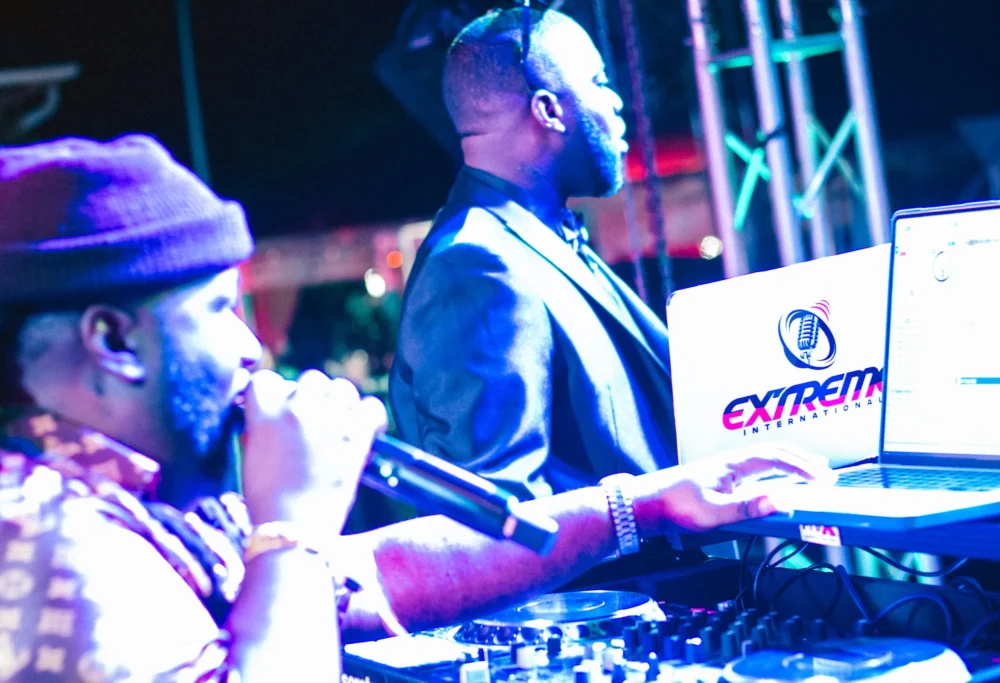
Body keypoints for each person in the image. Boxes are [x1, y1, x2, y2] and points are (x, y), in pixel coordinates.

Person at [0, 135, 832, 681]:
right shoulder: (35, 528)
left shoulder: (142, 494)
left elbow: (375, 576)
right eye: (218, 310)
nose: (250, 349)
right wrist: (290, 525)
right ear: (113, 339)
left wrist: (646, 503)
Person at [390, 8, 678, 501]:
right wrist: (656, 510)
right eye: (598, 82)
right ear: (548, 110)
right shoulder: (476, 265)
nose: (616, 102)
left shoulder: (532, 239)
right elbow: (501, 514)